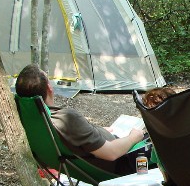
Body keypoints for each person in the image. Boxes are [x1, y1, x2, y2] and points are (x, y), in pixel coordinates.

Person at [16, 64, 145, 174]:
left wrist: (97, 131)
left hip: (89, 159)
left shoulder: (37, 121)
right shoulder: (66, 119)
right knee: (154, 145)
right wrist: (134, 137)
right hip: (121, 162)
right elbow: (111, 153)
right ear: (49, 88)